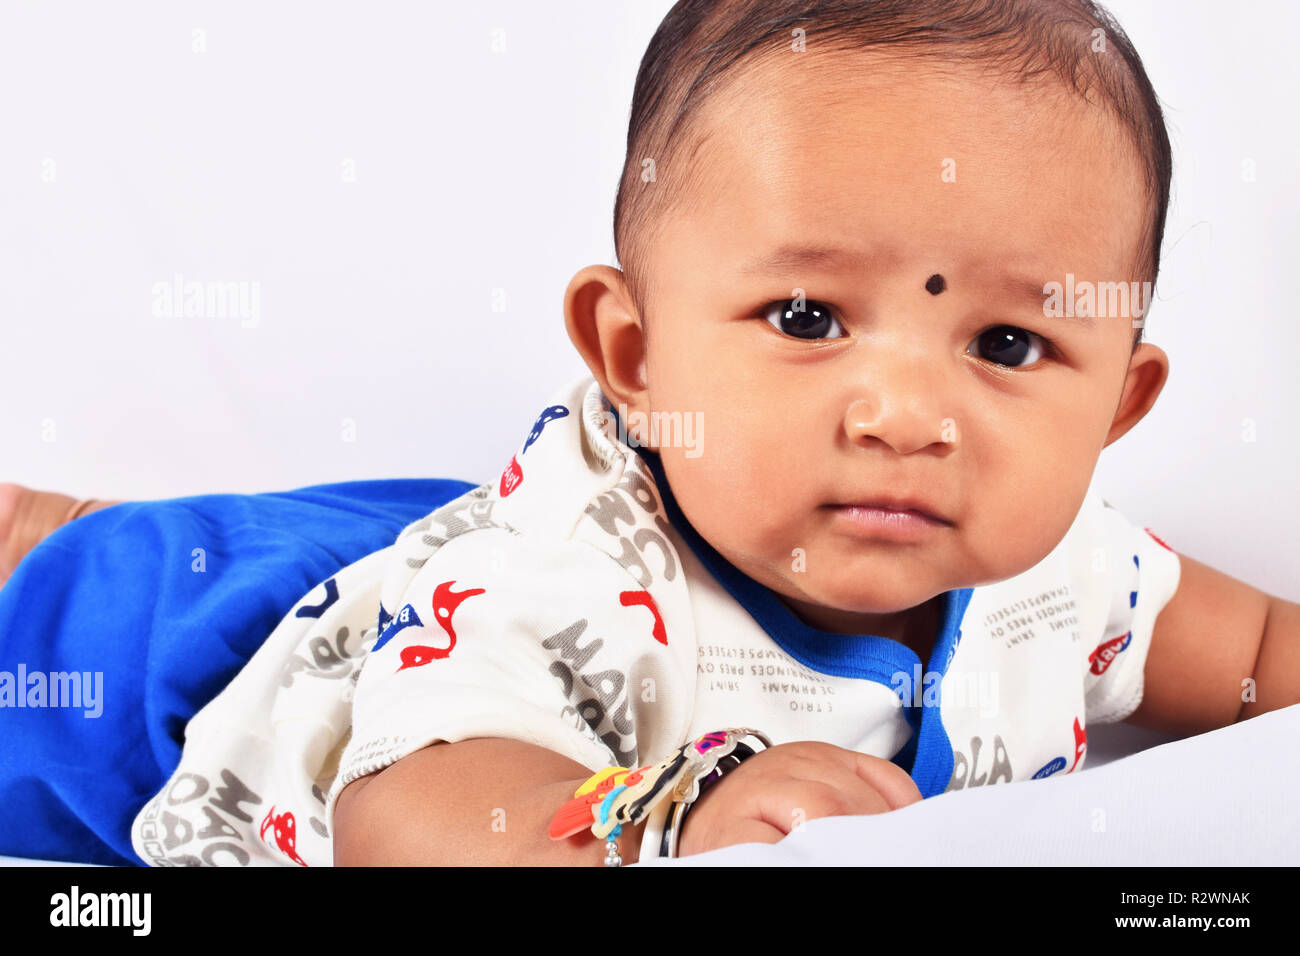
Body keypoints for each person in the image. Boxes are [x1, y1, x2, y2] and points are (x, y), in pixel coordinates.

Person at [5, 0, 1297, 867]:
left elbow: (1252, 659)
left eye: (1009, 347)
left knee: (383, 545)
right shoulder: (572, 588)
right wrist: (662, 825)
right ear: (635, 353)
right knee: (82, 613)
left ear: (1116, 406)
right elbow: (401, 814)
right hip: (247, 681)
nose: (905, 416)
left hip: (455, 546)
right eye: (806, 316)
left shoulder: (1070, 571)